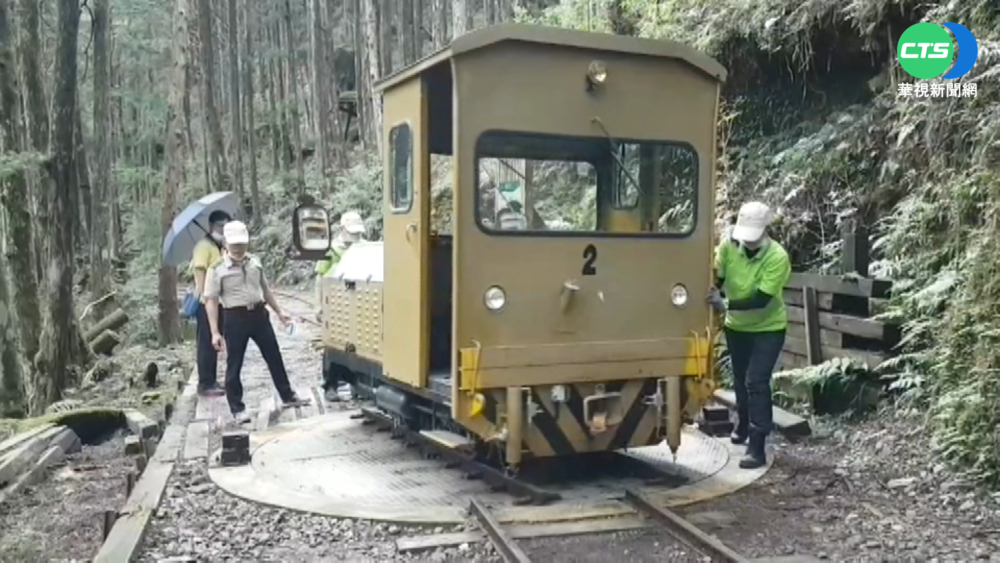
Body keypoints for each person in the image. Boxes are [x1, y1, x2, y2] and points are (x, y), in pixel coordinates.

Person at [708, 201, 791, 469]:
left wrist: (725, 303)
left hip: (768, 328)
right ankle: (742, 423)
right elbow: (717, 277)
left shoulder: (777, 257)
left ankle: (757, 446)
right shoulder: (728, 245)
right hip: (737, 328)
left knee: (756, 381)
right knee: (741, 381)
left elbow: (761, 299)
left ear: (766, 230)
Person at [204, 220, 310, 423]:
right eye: (233, 245)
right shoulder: (216, 269)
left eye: (241, 244)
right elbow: (211, 301)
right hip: (235, 318)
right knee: (234, 364)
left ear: (247, 243)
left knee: (274, 356)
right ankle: (237, 408)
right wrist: (215, 332)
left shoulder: (255, 262)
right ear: (225, 243)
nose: (237, 249)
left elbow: (266, 289)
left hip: (259, 316)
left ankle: (287, 395)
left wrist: (279, 312)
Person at [314, 210, 367, 401]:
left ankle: (357, 383)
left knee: (359, 346)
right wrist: (319, 305)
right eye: (352, 232)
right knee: (334, 346)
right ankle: (330, 385)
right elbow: (320, 278)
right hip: (336, 304)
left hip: (359, 303)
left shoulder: (365, 247)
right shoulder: (331, 251)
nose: (355, 236)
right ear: (343, 230)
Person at [190, 210, 231, 397]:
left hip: (219, 301)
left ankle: (212, 379)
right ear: (213, 226)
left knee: (215, 342)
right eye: (221, 226)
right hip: (207, 302)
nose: (224, 229)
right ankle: (205, 383)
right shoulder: (203, 247)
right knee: (206, 342)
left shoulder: (219, 247)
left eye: (226, 226)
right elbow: (200, 272)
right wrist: (205, 296)